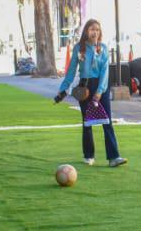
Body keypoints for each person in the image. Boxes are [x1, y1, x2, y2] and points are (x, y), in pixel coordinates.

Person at [54, 19, 128, 168]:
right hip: (84, 88)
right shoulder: (79, 49)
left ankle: (114, 157)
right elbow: (71, 72)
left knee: (107, 122)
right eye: (92, 29)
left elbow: (105, 72)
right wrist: (62, 91)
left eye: (97, 30)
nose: (95, 32)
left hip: (101, 87)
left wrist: (100, 91)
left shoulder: (103, 48)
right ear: (86, 31)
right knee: (87, 123)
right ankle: (89, 155)